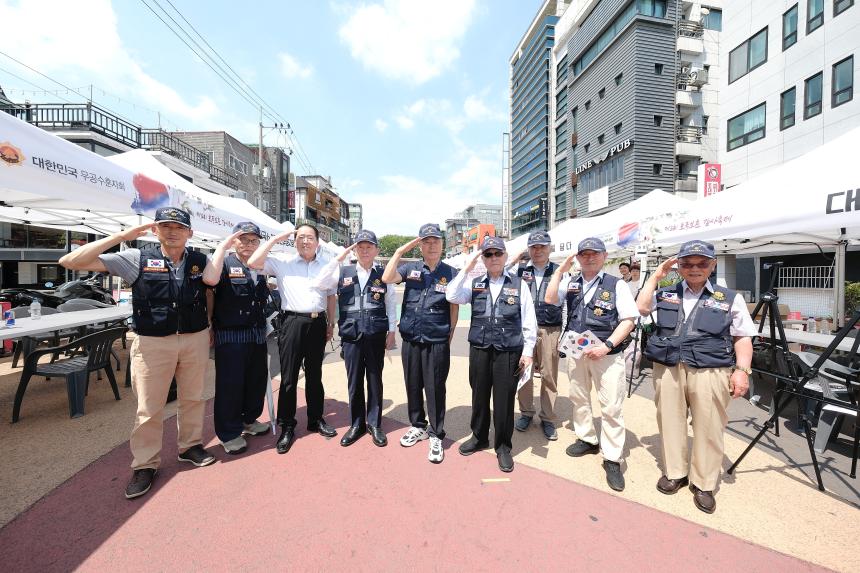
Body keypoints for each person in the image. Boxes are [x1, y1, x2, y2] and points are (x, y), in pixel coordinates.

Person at [59, 207, 217, 499]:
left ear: (190, 233)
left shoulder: (200, 261)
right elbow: (70, 261)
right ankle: (145, 464)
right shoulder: (136, 258)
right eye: (165, 226)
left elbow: (208, 293)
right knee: (149, 406)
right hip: (153, 342)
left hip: (194, 338)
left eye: (179, 227)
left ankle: (190, 446)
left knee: (193, 398)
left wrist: (209, 324)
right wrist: (122, 236)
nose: (172, 232)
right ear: (155, 230)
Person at [636, 240, 755, 514]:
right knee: (669, 420)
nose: (694, 268)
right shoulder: (665, 292)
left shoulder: (729, 297)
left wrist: (742, 371)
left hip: (711, 369)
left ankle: (704, 483)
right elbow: (641, 308)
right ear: (678, 266)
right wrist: (656, 277)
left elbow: (742, 337)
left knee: (709, 425)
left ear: (712, 265)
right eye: (687, 263)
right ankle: (675, 472)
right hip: (669, 367)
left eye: (702, 263)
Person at [544, 237, 637, 492]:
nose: (589, 258)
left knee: (611, 405)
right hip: (577, 351)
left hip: (607, 354)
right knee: (579, 398)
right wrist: (560, 271)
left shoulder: (616, 284)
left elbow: (629, 320)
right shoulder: (571, 281)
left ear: (604, 256)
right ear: (578, 258)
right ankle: (587, 438)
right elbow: (550, 298)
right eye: (584, 254)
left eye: (595, 253)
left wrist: (607, 345)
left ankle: (612, 458)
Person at [446, 237, 536, 472]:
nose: (493, 258)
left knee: (504, 400)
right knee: (479, 394)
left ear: (505, 256)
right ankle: (479, 437)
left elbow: (529, 321)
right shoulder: (474, 283)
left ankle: (503, 446)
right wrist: (466, 268)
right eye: (488, 254)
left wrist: (527, 352)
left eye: (497, 254)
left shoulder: (519, 284)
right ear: (483, 259)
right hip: (480, 348)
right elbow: (451, 295)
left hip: (508, 349)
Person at [248, 223, 337, 455]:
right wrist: (276, 239)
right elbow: (253, 262)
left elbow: (331, 295)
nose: (305, 241)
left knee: (315, 375)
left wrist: (331, 323)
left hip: (318, 323)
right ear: (294, 241)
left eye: (309, 237)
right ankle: (287, 425)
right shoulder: (282, 262)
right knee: (289, 377)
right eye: (300, 237)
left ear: (317, 242)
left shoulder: (326, 265)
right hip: (292, 322)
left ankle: (316, 419)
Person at [382, 223, 458, 463]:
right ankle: (418, 425)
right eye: (426, 241)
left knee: (435, 388)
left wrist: (450, 333)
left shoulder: (451, 272)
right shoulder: (410, 268)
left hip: (436, 339)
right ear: (420, 245)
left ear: (442, 244)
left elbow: (454, 306)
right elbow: (386, 277)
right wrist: (399, 251)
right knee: (413, 384)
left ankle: (436, 433)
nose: (431, 245)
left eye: (436, 241)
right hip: (412, 338)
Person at [316, 230, 397, 447]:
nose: (364, 250)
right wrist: (338, 259)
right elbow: (320, 283)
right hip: (351, 335)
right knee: (354, 381)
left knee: (374, 380)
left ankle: (374, 424)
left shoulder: (384, 274)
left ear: (377, 250)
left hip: (375, 334)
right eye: (360, 247)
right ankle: (357, 424)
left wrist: (391, 331)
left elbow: (390, 303)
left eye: (369, 246)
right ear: (354, 250)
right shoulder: (343, 271)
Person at [202, 222, 271, 455]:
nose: (249, 245)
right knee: (230, 385)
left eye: (254, 240)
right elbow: (209, 289)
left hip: (257, 334)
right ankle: (229, 432)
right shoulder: (222, 263)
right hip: (231, 335)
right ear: (234, 241)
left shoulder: (261, 266)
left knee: (255, 381)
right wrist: (209, 323)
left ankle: (249, 420)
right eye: (244, 240)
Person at [506, 230, 562, 440]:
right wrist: (515, 259)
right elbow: (498, 271)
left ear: (549, 248)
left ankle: (547, 417)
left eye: (542, 246)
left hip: (550, 329)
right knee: (524, 372)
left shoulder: (559, 271)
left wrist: (564, 333)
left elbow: (567, 302)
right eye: (534, 247)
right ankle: (526, 412)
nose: (538, 250)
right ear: (528, 249)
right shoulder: (519, 270)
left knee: (549, 375)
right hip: (523, 329)